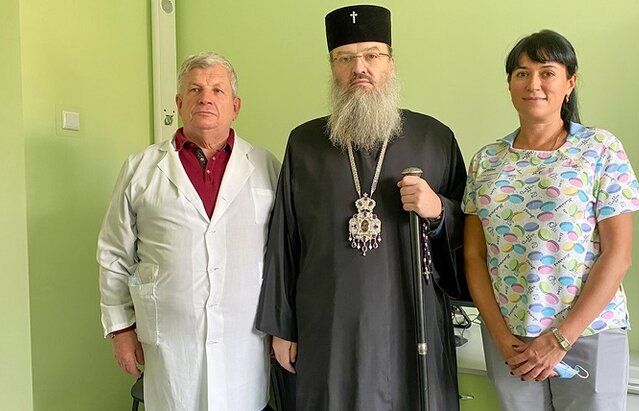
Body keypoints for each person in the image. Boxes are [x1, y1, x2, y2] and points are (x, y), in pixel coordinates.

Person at [255, 5, 467, 410]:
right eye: (345, 58)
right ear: (332, 68)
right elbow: (284, 242)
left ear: (391, 62)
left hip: (410, 323)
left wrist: (438, 210)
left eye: (372, 55)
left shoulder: (435, 138)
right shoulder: (304, 144)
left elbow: (470, 238)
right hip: (329, 326)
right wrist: (281, 327)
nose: (359, 68)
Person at [462, 30, 639, 410]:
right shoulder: (487, 160)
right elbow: (474, 256)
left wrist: (561, 338)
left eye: (547, 72)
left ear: (570, 82)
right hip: (510, 339)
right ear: (509, 84)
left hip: (588, 331)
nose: (533, 84)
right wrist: (499, 334)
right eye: (522, 73)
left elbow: (618, 255)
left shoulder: (600, 149)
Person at [98, 52, 280, 411]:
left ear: (235, 106)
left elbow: (284, 254)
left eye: (217, 90)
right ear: (180, 103)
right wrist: (120, 329)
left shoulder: (266, 166)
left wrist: (283, 327)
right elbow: (114, 253)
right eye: (195, 89)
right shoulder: (140, 169)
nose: (205, 98)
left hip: (244, 344)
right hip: (169, 346)